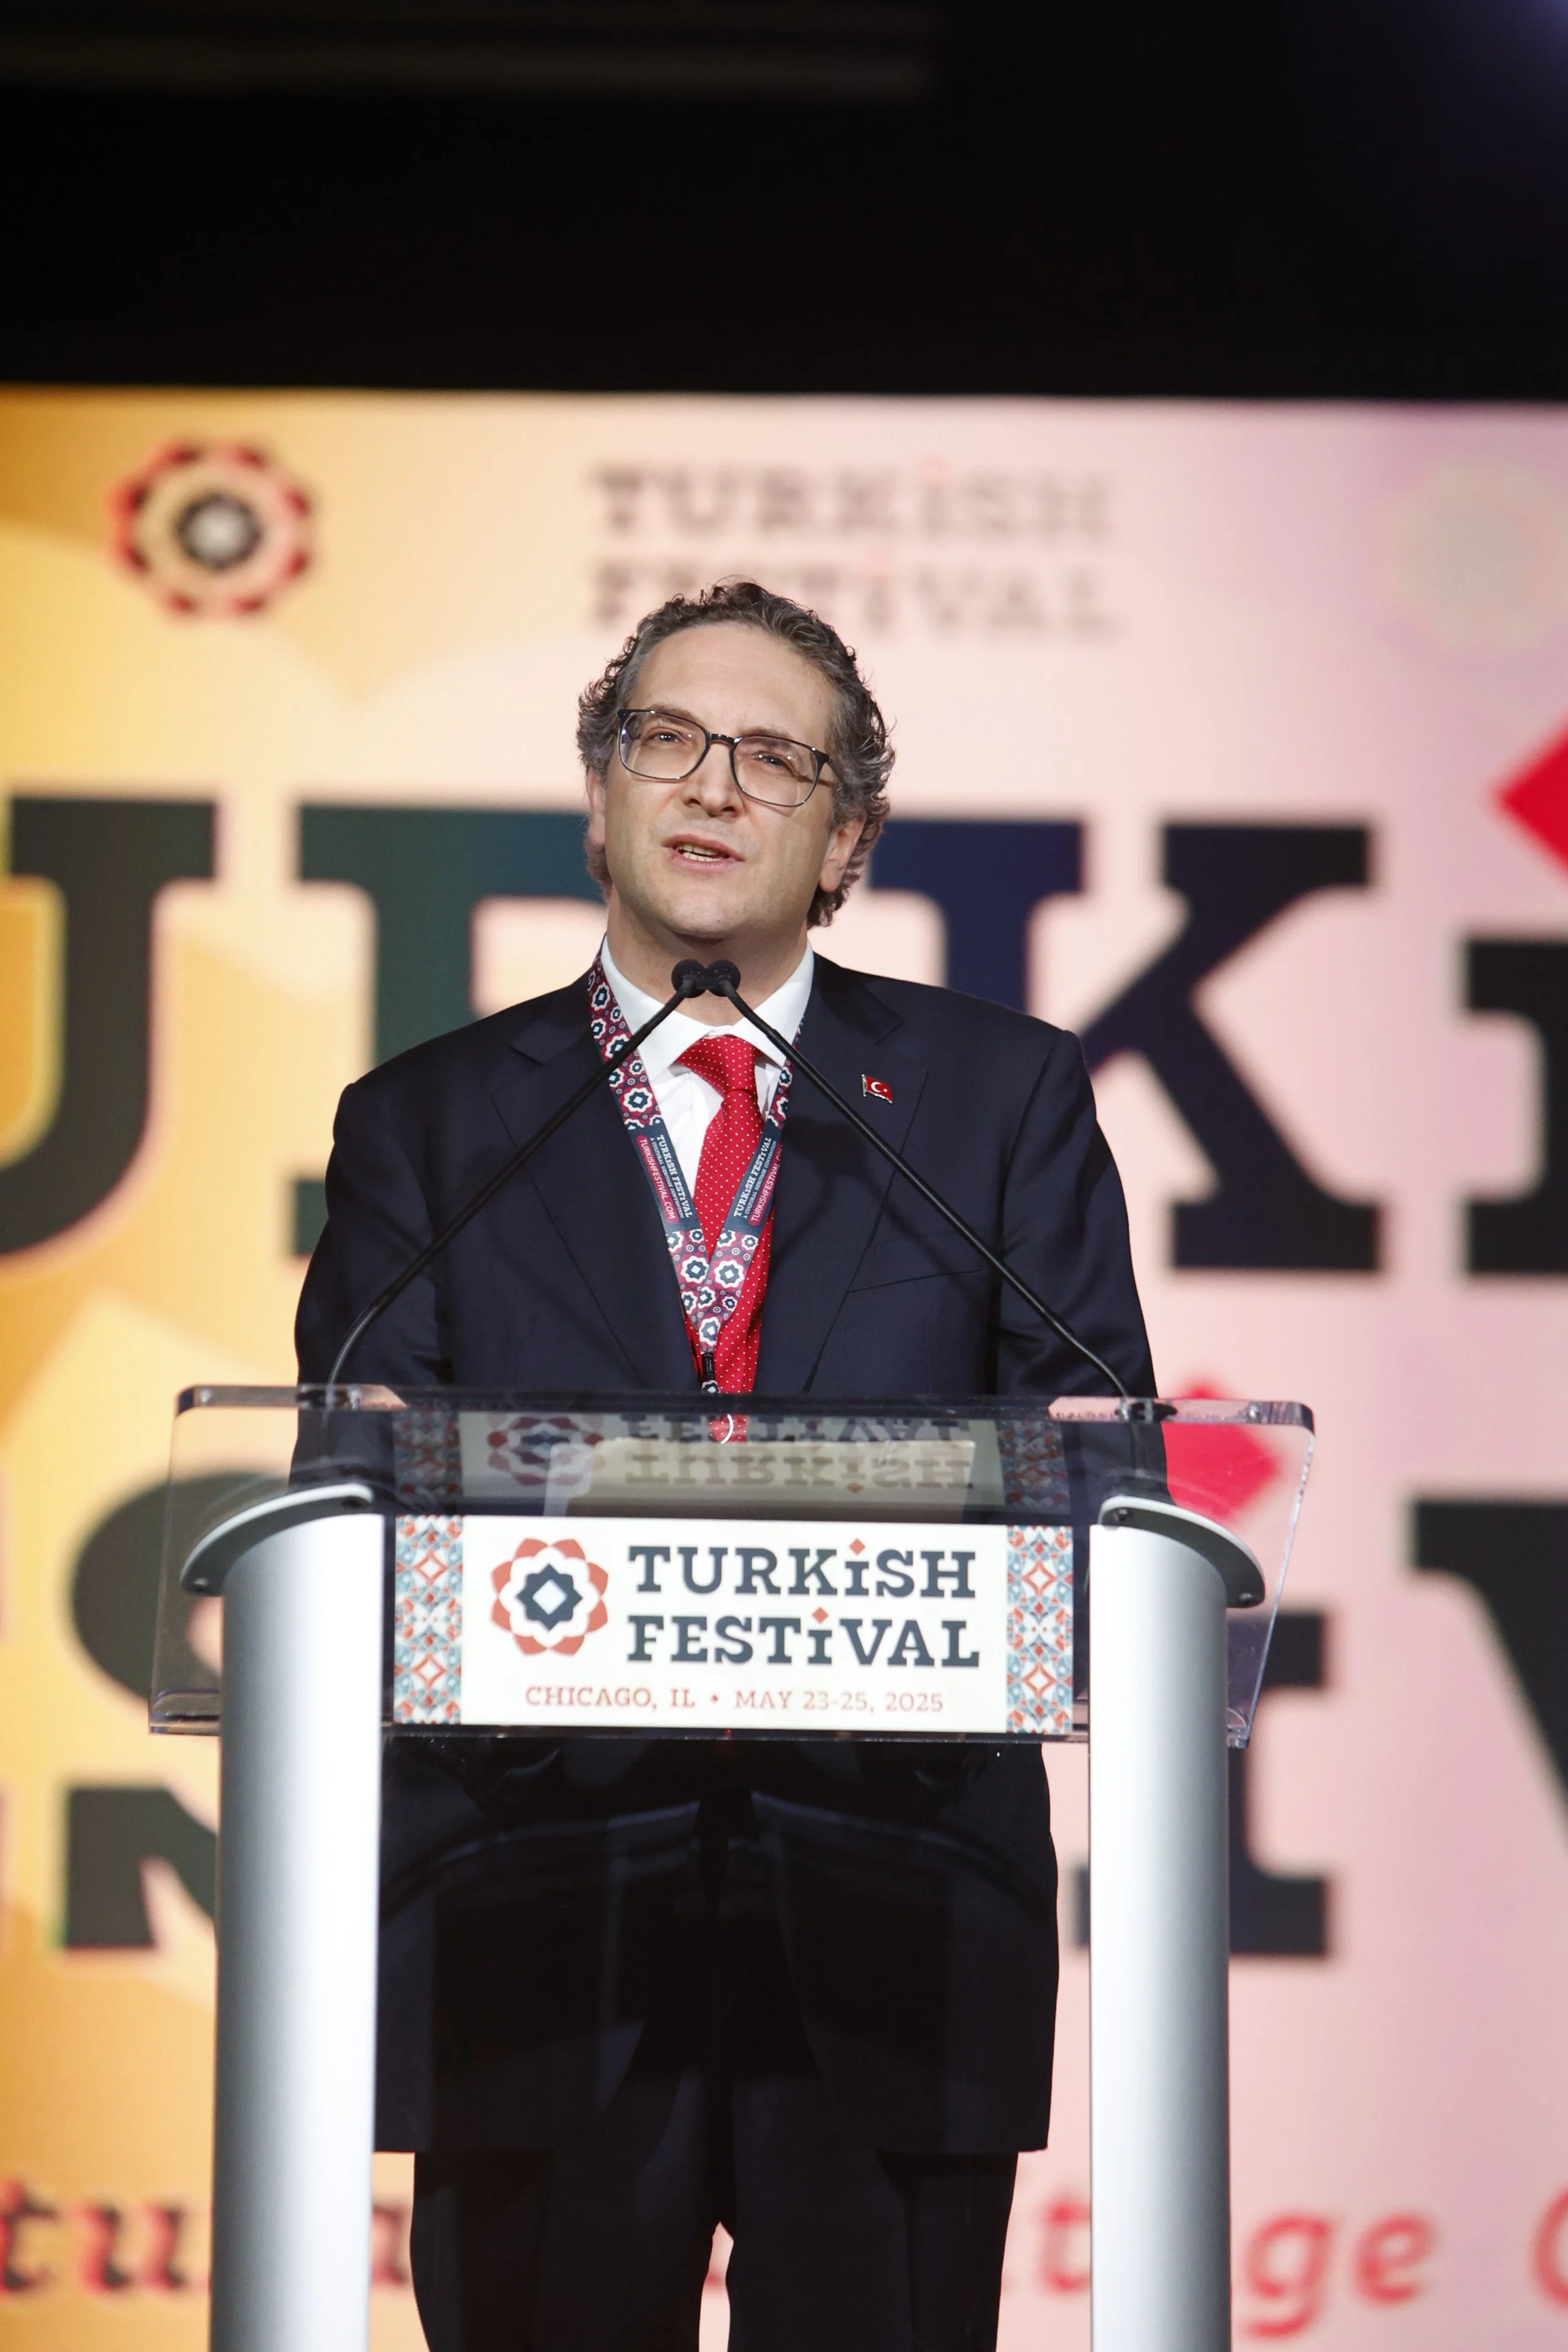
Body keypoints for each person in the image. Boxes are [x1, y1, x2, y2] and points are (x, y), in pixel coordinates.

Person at [296, 580, 1153, 2352]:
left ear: (844, 838)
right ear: (597, 793)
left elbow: (1094, 1466)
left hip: (896, 1901)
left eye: (776, 758)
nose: (712, 784)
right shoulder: (433, 1120)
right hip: (530, 1900)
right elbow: (359, 1496)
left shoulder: (997, 1101)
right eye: (665, 740)